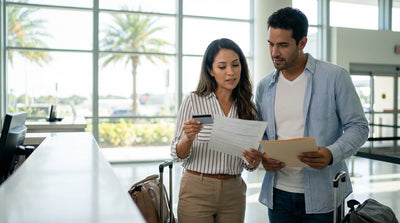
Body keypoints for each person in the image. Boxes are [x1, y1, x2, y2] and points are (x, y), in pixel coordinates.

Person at [256, 7, 369, 223]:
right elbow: (260, 134)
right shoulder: (264, 86)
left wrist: (331, 153)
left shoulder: (335, 77)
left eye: (283, 45)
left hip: (323, 194)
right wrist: (263, 156)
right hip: (278, 195)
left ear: (302, 43)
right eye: (270, 44)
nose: (274, 52)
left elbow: (359, 127)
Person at [171, 38, 263, 223]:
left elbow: (248, 165)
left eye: (236, 65)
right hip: (197, 189)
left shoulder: (248, 107)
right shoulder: (193, 100)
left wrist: (253, 160)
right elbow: (176, 154)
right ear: (210, 70)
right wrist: (188, 138)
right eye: (222, 67)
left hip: (234, 192)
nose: (231, 72)